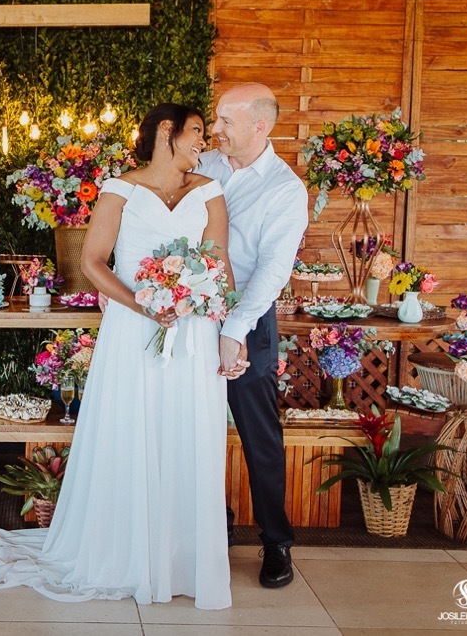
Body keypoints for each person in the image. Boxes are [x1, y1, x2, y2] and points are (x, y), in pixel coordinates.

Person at [0, 103, 241, 609]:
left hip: (195, 332)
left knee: (187, 434)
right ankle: (127, 556)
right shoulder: (120, 189)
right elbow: (93, 262)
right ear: (166, 131)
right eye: (197, 131)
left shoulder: (210, 191)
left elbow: (219, 264)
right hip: (134, 330)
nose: (204, 141)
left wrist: (228, 333)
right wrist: (144, 305)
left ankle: (182, 562)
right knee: (131, 431)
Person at [197, 83, 309, 588]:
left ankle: (276, 543)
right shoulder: (206, 166)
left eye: (224, 121)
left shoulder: (285, 189)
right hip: (191, 314)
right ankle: (206, 527)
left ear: (259, 127)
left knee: (258, 433)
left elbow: (271, 271)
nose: (213, 129)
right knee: (192, 424)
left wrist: (234, 329)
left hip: (249, 319)